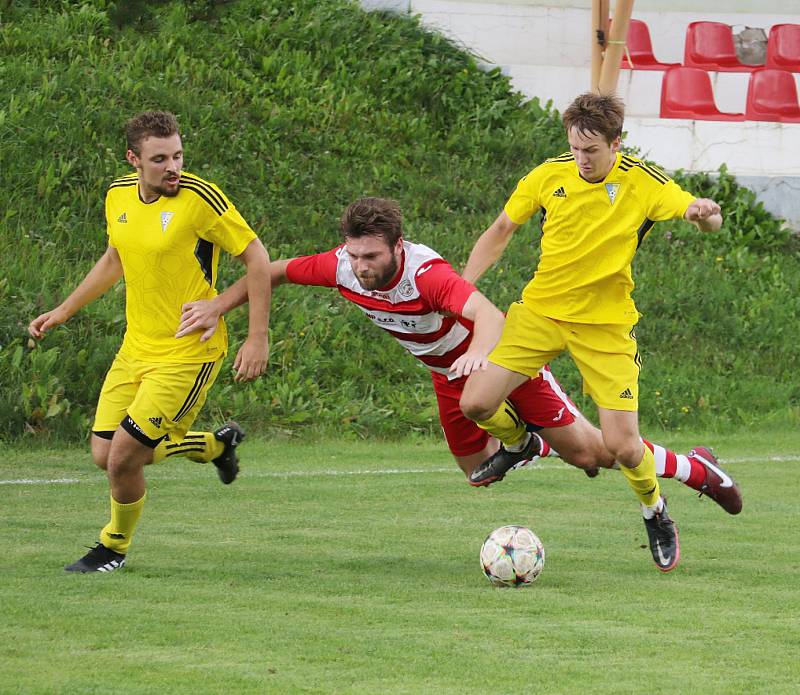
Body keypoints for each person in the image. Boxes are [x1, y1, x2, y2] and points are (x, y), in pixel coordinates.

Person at [176, 197, 740, 526]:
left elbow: (492, 318)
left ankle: (697, 469)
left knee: (598, 455)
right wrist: (223, 310)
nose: (361, 266)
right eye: (354, 254)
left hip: (503, 365)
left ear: (399, 245)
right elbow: (269, 270)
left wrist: (475, 353)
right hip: (449, 378)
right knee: (478, 477)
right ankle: (531, 443)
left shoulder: (428, 274)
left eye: (372, 255)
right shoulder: (342, 266)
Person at [459, 92, 737, 572]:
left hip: (605, 328)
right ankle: (519, 443)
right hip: (540, 314)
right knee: (477, 403)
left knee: (623, 447)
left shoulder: (643, 182)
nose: (582, 159)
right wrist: (463, 288)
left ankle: (656, 511)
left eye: (591, 150)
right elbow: (502, 227)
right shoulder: (550, 174)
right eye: (575, 148)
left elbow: (704, 217)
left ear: (616, 143)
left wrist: (705, 214)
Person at [28, 111, 271, 573]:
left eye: (177, 154)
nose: (172, 166)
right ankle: (216, 447)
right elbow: (114, 258)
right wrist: (64, 309)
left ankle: (112, 547)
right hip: (136, 347)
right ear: (133, 160)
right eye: (159, 159)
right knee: (106, 455)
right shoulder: (118, 195)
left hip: (189, 352)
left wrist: (254, 336)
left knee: (123, 459)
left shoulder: (201, 199)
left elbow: (257, 259)